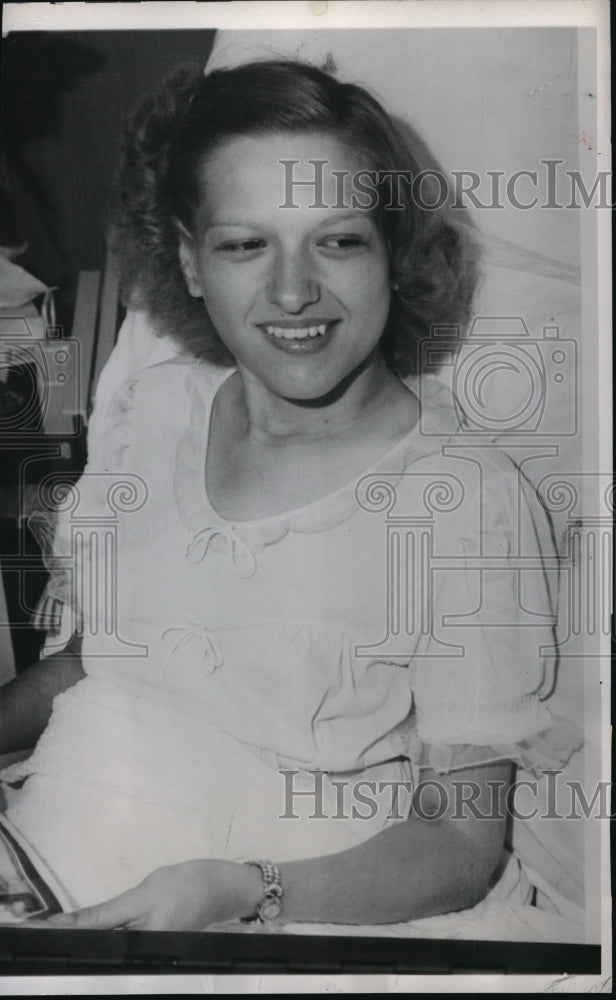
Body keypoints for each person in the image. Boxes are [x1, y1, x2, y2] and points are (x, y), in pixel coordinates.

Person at [0, 59, 582, 936]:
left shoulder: (463, 502)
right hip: (70, 837)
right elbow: (100, 659)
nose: (291, 291)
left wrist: (241, 892)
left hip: (303, 906)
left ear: (395, 253)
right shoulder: (152, 416)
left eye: (338, 240)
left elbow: (461, 843)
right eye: (245, 244)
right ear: (192, 264)